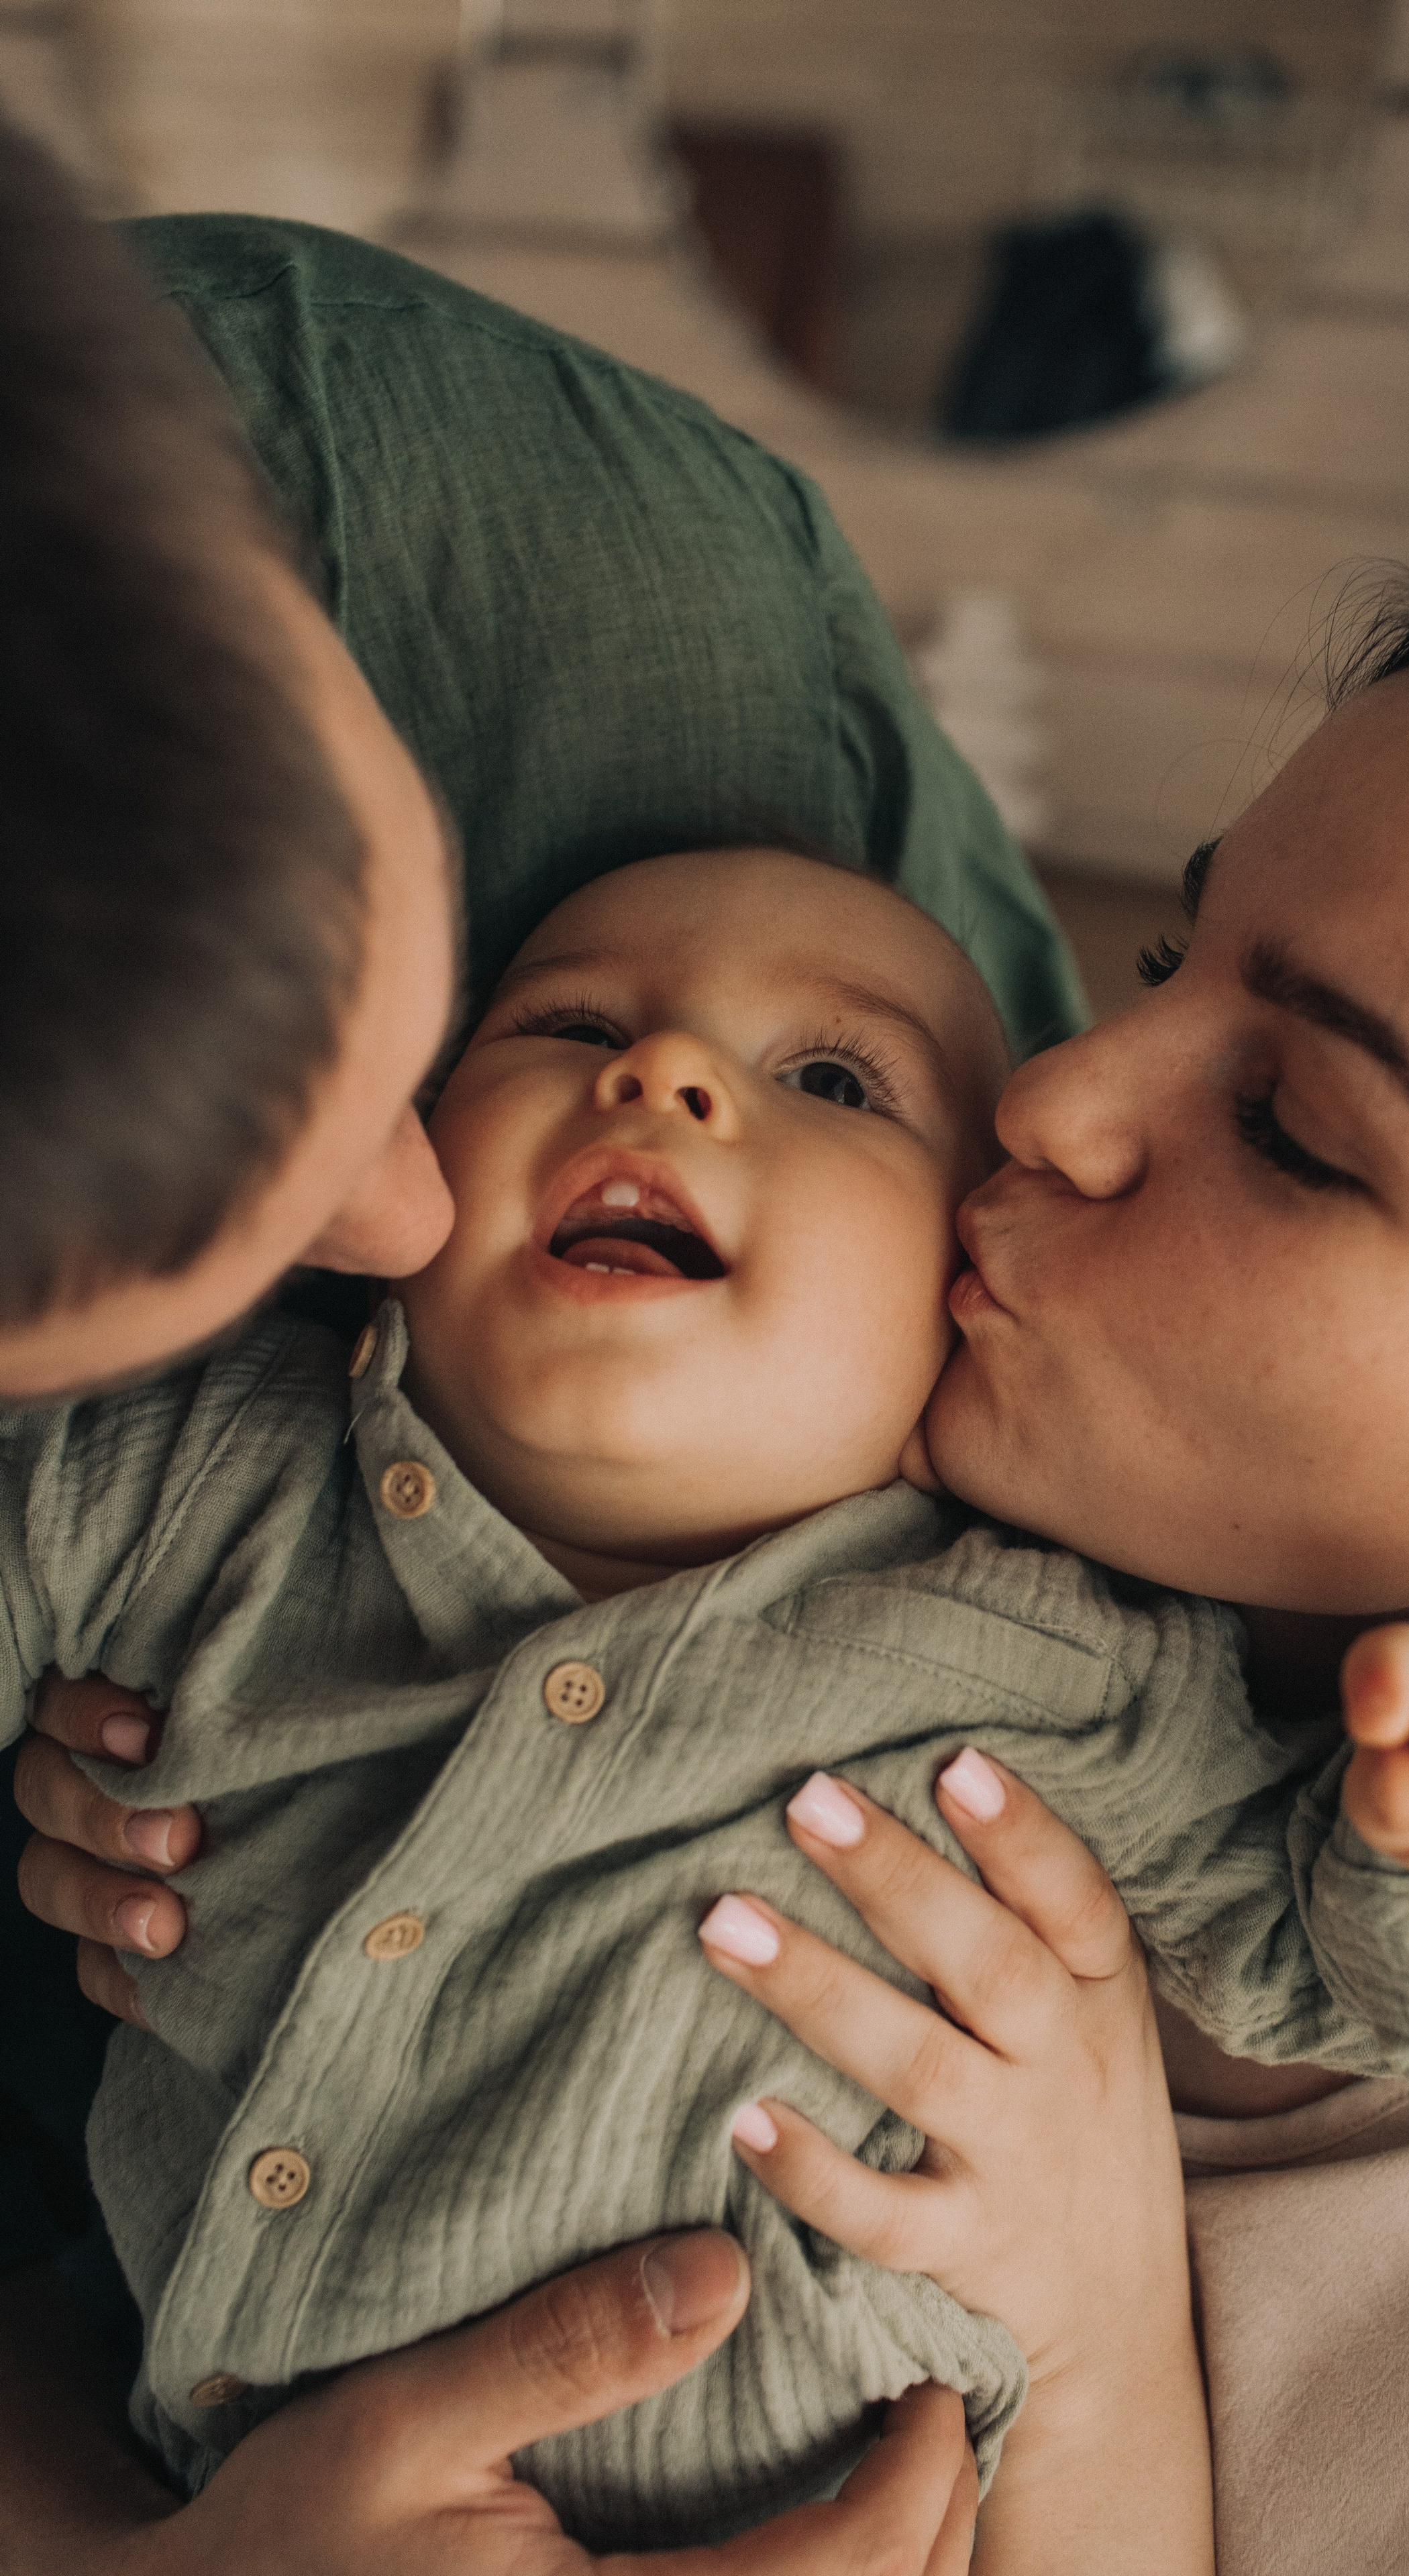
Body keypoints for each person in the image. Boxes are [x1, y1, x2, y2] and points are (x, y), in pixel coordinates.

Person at [13, 843, 1409, 2564]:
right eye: (563, 1022)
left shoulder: (1053, 1669)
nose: (654, 1075)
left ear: (950, 1313)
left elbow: (1335, 1951)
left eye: (830, 1080)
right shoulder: (205, 1476)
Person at [0, 109, 1079, 2574]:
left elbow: (1358, 1939)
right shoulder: (178, 1507)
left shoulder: (524, 547)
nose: (406, 1217)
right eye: (220, 1234)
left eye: (436, 997)